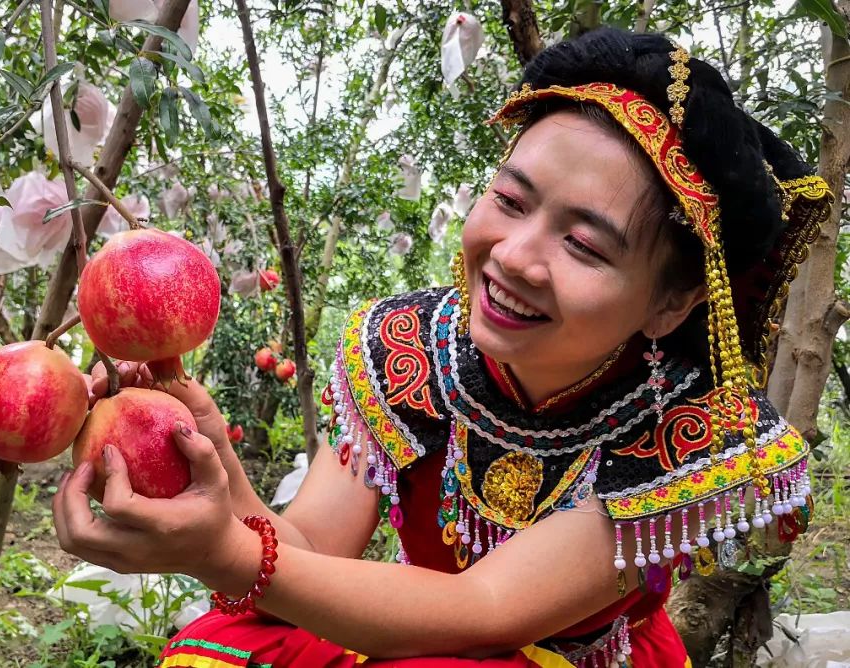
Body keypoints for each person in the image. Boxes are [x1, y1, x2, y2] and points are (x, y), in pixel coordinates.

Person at [53, 28, 833, 667]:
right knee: (230, 639)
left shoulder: (691, 427)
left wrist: (223, 554)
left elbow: (486, 610)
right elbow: (305, 547)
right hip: (418, 636)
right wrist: (213, 458)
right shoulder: (404, 348)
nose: (516, 255)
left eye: (586, 246)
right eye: (510, 200)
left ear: (671, 302)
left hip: (544, 654)